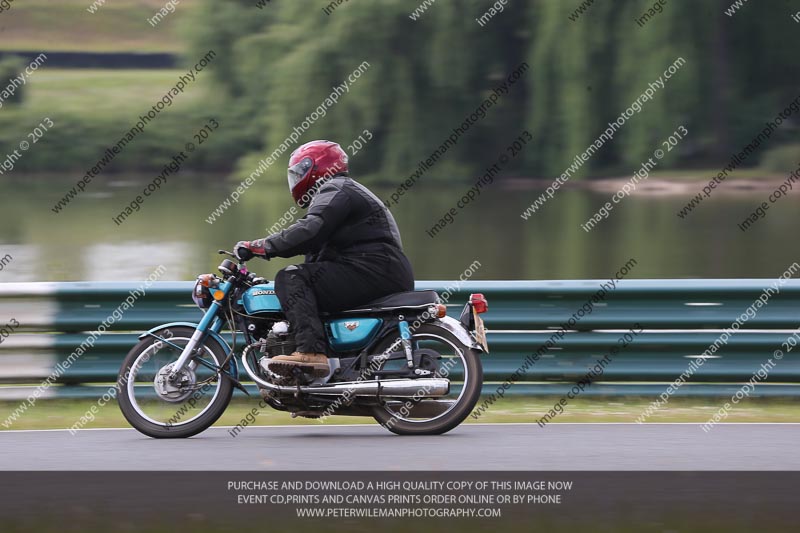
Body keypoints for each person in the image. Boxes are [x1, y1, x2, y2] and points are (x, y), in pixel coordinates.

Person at [234, 140, 415, 377]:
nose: (297, 179)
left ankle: (310, 353)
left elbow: (310, 230)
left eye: (300, 172)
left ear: (317, 168)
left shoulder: (336, 189)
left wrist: (262, 246)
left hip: (373, 269)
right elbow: (315, 247)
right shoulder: (341, 191)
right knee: (307, 278)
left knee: (291, 277)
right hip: (378, 270)